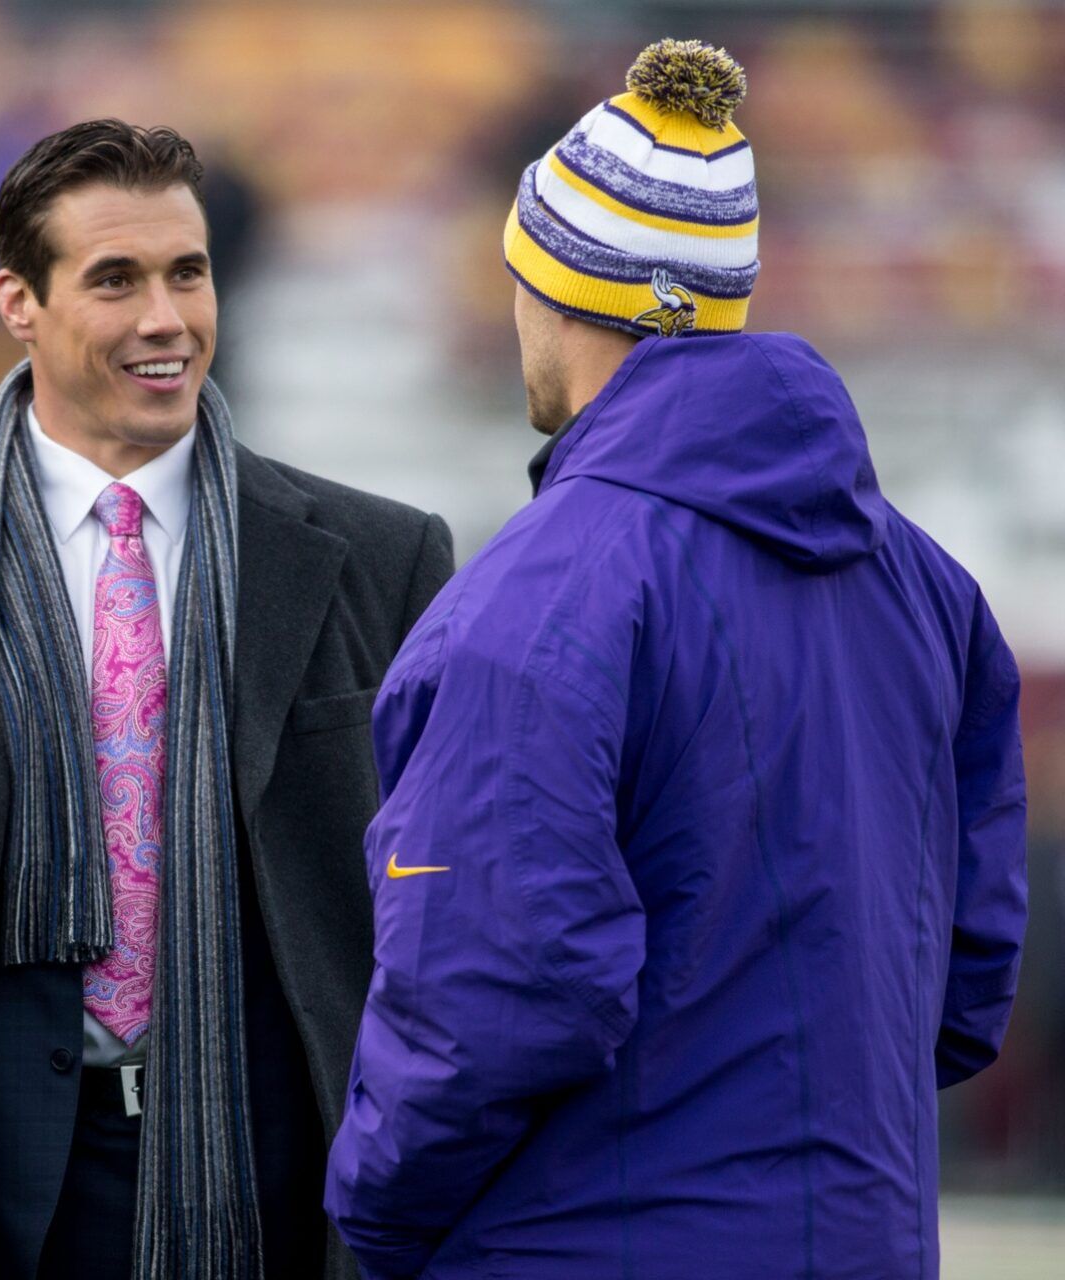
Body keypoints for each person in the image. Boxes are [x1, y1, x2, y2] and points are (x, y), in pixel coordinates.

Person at [324, 40, 1028, 1279]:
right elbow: (966, 981)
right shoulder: (929, 585)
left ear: (559, 288)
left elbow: (491, 992)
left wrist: (372, 1219)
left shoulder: (540, 596)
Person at [0, 119, 454, 1280]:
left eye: (188, 273)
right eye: (115, 279)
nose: (166, 319)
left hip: (277, 1182)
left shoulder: (380, 560)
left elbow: (425, 926)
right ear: (18, 302)